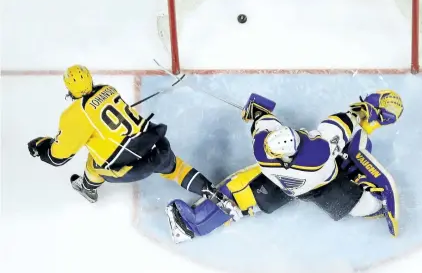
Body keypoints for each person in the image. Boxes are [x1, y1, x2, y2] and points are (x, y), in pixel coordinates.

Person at [165, 90, 403, 243]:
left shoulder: (263, 150)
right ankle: (366, 194)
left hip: (279, 185)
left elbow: (263, 124)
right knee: (369, 206)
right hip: (325, 187)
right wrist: (364, 111)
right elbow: (340, 124)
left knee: (236, 192)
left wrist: (257, 112)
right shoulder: (317, 151)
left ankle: (189, 226)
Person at [27, 65, 240, 216]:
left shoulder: (73, 115)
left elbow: (58, 157)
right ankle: (212, 193)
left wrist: (41, 145)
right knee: (177, 167)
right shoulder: (107, 89)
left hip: (127, 167)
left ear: (68, 88)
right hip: (151, 145)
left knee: (94, 160)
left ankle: (88, 188)